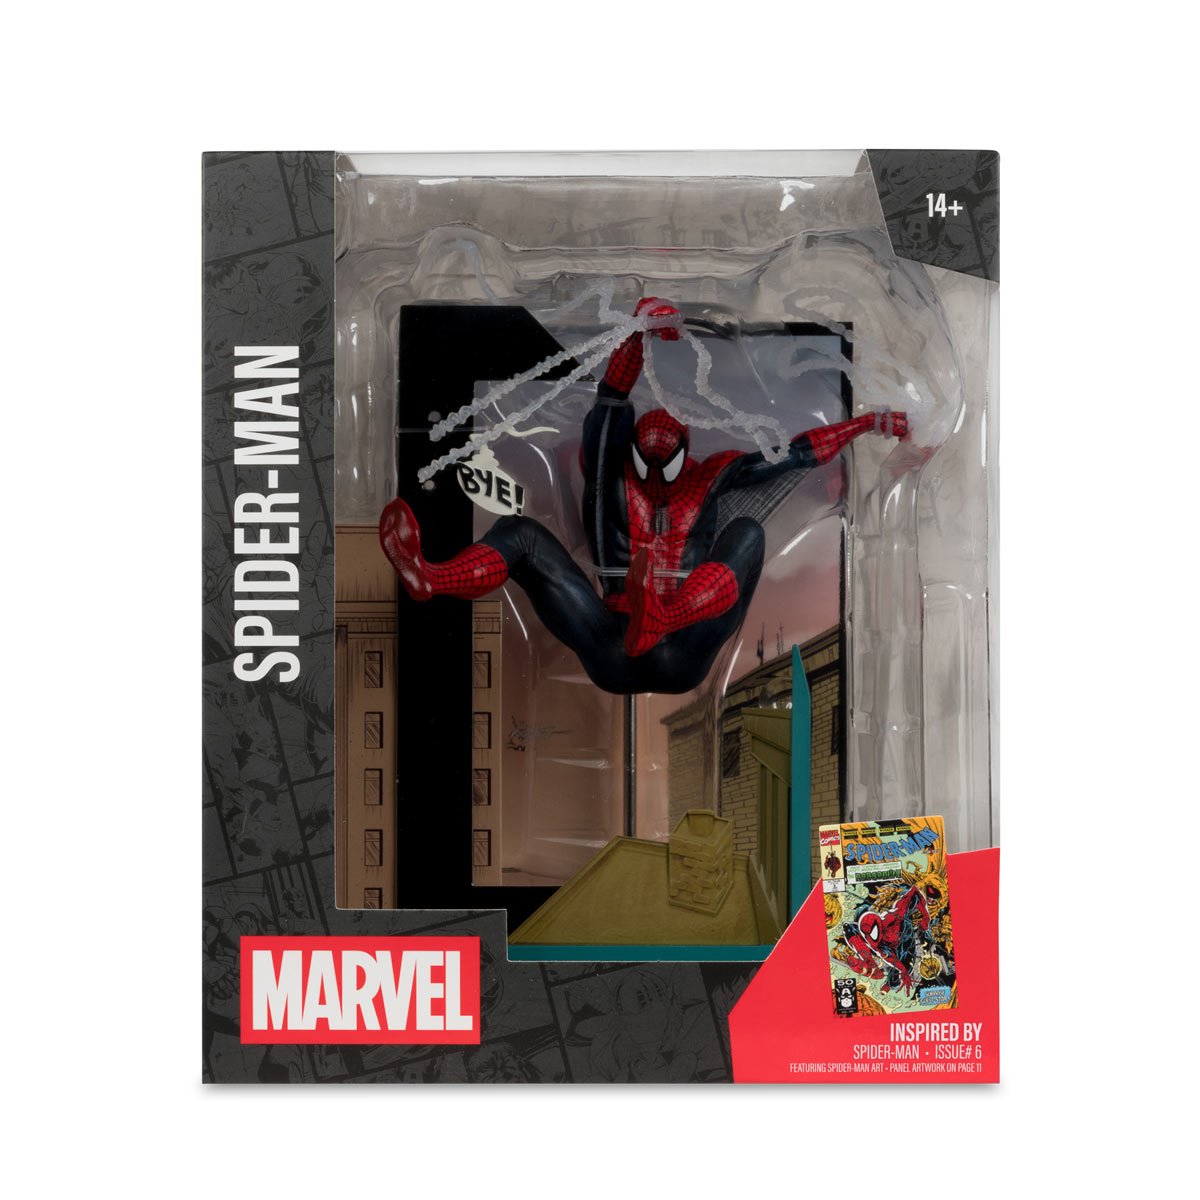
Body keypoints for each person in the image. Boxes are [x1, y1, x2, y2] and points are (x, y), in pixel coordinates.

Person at [380, 299, 907, 694]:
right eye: (644, 461)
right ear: (631, 451)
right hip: (615, 637)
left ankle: (663, 616)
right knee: (519, 534)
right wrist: (639, 331)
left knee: (746, 535)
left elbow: (795, 454)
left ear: (686, 456)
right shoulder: (611, 470)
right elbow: (611, 400)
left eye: (665, 464)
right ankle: (433, 577)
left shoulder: (711, 475)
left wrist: (863, 424)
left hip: (681, 643)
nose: (654, 476)